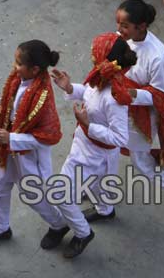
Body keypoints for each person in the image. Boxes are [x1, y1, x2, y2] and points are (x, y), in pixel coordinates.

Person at [48, 33, 134, 258]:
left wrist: (88, 124)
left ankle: (82, 232)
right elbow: (88, 93)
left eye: (95, 54)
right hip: (88, 146)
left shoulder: (114, 97)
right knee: (99, 185)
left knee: (60, 194)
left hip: (94, 154)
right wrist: (69, 88)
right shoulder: (102, 79)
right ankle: (105, 211)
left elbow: (120, 138)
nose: (90, 56)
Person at [0, 40, 65, 251]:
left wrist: (11, 138)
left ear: (34, 69)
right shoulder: (18, 79)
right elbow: (10, 100)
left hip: (28, 156)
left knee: (32, 197)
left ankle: (59, 225)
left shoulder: (43, 97)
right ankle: (1, 228)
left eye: (19, 63)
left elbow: (47, 137)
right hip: (7, 148)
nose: (15, 66)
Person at [115, 0, 164, 208]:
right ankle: (96, 186)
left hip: (139, 114)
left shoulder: (158, 57)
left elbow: (159, 95)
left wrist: (130, 93)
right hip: (116, 104)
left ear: (141, 26)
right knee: (103, 146)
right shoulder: (122, 38)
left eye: (124, 25)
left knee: (140, 161)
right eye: (118, 24)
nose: (119, 30)